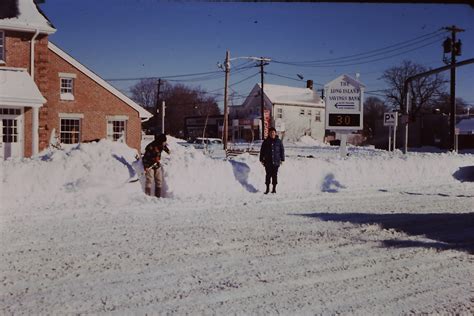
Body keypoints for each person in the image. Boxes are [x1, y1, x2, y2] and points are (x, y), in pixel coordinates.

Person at [142, 133, 170, 198]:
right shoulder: (150, 147)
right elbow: (145, 158)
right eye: (163, 141)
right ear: (160, 141)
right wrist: (146, 166)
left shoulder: (161, 145)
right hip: (149, 165)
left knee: (159, 180)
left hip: (157, 165)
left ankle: (158, 197)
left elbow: (164, 147)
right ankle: (147, 196)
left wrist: (168, 151)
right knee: (149, 180)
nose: (164, 143)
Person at [259, 127, 285, 194]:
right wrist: (261, 159)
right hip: (268, 161)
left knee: (274, 175)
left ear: (275, 133)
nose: (272, 134)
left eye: (273, 132)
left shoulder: (278, 141)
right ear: (269, 133)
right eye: (270, 133)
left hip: (276, 161)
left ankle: (274, 189)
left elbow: (282, 150)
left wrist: (282, 159)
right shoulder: (266, 141)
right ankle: (267, 189)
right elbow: (262, 151)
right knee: (268, 175)